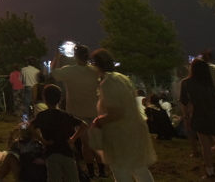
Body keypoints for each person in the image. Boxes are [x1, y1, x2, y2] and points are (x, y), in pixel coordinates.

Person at [90, 49, 156, 182]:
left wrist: (98, 121)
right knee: (140, 170)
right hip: (135, 129)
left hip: (120, 135)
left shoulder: (108, 83)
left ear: (97, 65)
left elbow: (116, 113)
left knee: (121, 172)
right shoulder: (121, 78)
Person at [51, 45, 104, 179]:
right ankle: (102, 171)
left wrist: (57, 57)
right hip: (94, 110)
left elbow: (54, 72)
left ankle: (91, 171)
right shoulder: (94, 71)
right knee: (97, 142)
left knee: (85, 143)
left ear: (75, 56)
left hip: (77, 112)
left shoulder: (69, 71)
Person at [180, 57, 215, 178]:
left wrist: (186, 118)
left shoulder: (186, 83)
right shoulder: (209, 83)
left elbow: (184, 103)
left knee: (205, 146)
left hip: (199, 116)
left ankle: (210, 173)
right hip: (214, 116)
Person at [29, 84, 85, 182]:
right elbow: (84, 125)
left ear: (44, 98)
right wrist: (73, 139)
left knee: (54, 178)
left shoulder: (43, 115)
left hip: (52, 152)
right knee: (73, 178)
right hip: (67, 151)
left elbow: (30, 128)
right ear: (60, 99)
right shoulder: (65, 114)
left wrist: (42, 140)